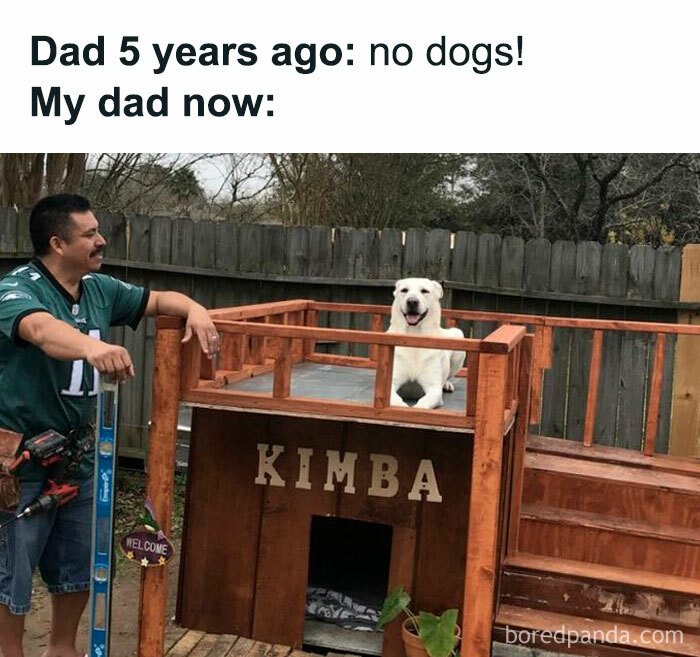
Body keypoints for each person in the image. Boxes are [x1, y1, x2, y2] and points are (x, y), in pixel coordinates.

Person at [0, 194, 220, 657]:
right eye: (90, 235)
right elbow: (38, 329)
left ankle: (63, 650)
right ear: (57, 243)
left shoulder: (98, 287)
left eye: (99, 231)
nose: (101, 241)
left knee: (78, 570)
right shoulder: (17, 289)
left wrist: (195, 309)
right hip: (22, 464)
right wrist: (90, 346)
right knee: (10, 579)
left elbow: (159, 299)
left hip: (79, 461)